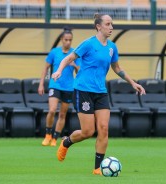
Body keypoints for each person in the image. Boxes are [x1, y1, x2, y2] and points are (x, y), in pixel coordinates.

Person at [52, 14, 146, 175]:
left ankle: (97, 168)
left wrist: (133, 82)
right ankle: (66, 142)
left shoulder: (112, 47)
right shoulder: (88, 44)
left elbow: (117, 68)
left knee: (103, 128)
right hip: (83, 91)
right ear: (98, 26)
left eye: (112, 24)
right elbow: (69, 58)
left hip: (101, 92)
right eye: (108, 24)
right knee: (88, 132)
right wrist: (59, 71)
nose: (111, 27)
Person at [38, 27, 80, 147]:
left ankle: (55, 138)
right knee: (52, 110)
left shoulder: (75, 54)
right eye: (66, 39)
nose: (68, 42)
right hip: (55, 84)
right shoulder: (54, 52)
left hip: (68, 87)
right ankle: (48, 135)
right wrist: (41, 83)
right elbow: (45, 68)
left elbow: (79, 71)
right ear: (62, 39)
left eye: (70, 40)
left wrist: (74, 65)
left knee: (62, 114)